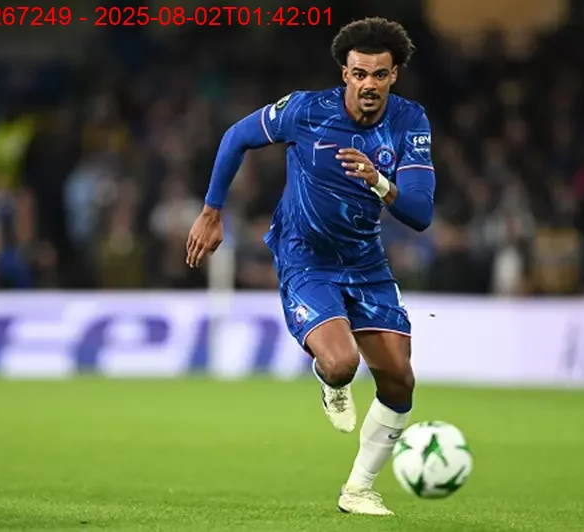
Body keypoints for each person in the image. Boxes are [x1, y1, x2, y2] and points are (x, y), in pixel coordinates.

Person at [186, 17, 435, 515]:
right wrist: (212, 211)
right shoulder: (305, 110)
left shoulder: (410, 122)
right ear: (345, 73)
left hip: (366, 262)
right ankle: (331, 380)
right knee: (342, 363)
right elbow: (236, 137)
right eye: (359, 74)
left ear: (394, 76)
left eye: (379, 74)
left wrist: (379, 182)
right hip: (306, 256)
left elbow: (421, 212)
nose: (369, 84)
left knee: (400, 379)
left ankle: (358, 489)